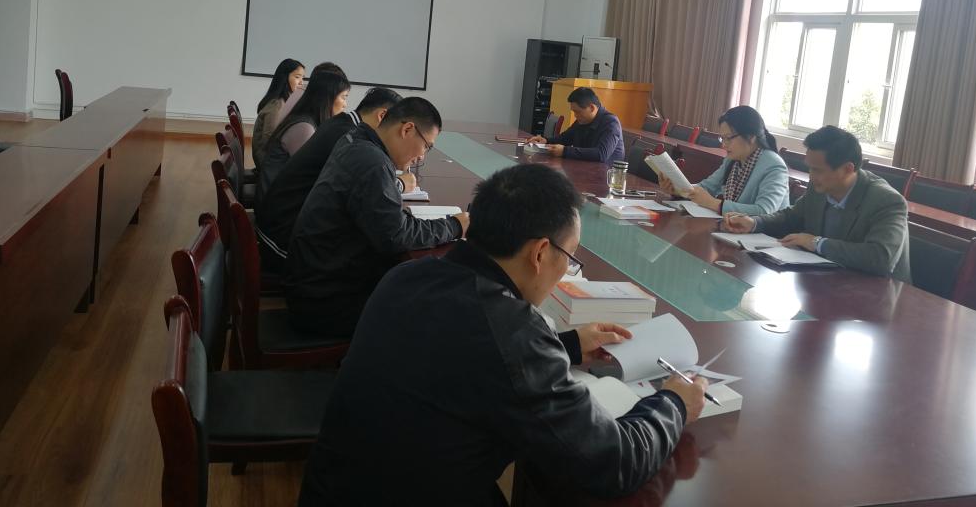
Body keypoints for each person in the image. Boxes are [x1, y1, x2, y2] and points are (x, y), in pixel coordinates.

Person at [297, 163, 707, 507]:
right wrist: (674, 402)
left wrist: (566, 346)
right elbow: (612, 463)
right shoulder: (511, 328)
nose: (566, 268)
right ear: (540, 253)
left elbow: (464, 361)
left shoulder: (407, 275)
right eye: (569, 257)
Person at [285, 97, 470, 337]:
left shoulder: (356, 139)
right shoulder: (372, 163)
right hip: (325, 302)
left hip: (314, 282)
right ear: (407, 129)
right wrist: (454, 225)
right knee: (432, 307)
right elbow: (396, 236)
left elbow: (391, 225)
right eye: (427, 146)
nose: (422, 157)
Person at [721, 125, 910, 281]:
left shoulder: (886, 201)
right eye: (809, 169)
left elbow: (880, 258)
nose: (811, 177)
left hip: (875, 295)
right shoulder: (819, 185)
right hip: (825, 281)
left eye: (818, 170)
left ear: (847, 169)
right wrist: (754, 222)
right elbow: (792, 217)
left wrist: (817, 243)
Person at [255, 87, 405, 274]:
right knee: (378, 256)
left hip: (276, 225)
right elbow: (364, 188)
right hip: (282, 240)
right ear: (382, 116)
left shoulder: (342, 123)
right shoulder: (349, 136)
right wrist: (400, 184)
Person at [658, 105, 789, 216]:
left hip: (766, 236)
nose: (723, 145)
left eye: (728, 138)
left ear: (751, 136)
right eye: (722, 138)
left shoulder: (774, 166)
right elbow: (706, 187)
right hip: (734, 229)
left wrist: (714, 204)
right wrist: (678, 190)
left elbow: (765, 211)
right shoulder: (732, 160)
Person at [255, 65, 349, 209]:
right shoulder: (304, 127)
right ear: (328, 98)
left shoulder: (307, 120)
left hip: (279, 201)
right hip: (275, 208)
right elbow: (318, 176)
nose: (345, 105)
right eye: (344, 97)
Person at [526, 87, 625, 163]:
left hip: (606, 176)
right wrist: (546, 141)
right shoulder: (582, 120)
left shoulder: (611, 123)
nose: (575, 115)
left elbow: (601, 154)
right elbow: (565, 138)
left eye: (578, 112)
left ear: (592, 108)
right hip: (585, 169)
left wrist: (565, 151)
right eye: (574, 112)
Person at [251, 58, 304, 168]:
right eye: (297, 77)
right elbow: (269, 141)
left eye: (302, 78)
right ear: (285, 78)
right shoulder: (277, 105)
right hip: (268, 164)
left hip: (271, 160)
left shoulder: (284, 101)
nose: (301, 82)